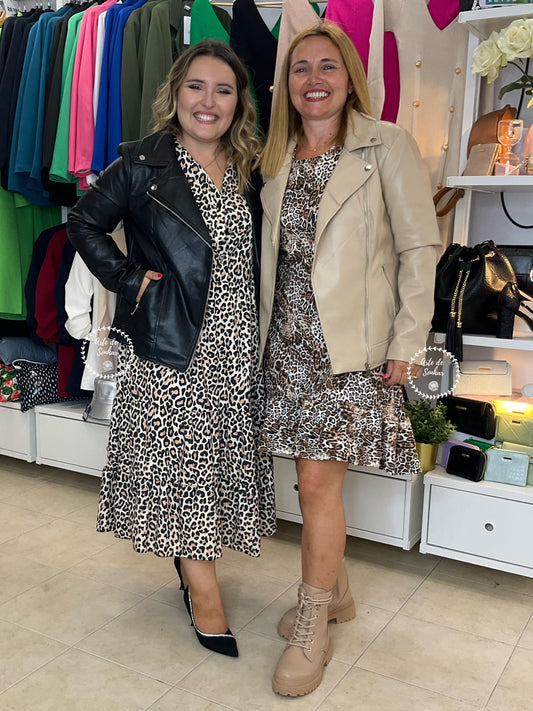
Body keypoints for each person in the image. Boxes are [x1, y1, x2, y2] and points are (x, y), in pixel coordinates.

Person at [67, 40, 276, 659]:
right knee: (182, 469)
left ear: (239, 102)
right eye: (196, 87)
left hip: (237, 345)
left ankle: (191, 565)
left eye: (224, 90)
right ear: (175, 93)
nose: (208, 101)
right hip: (170, 344)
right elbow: (83, 222)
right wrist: (131, 279)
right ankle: (203, 590)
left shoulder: (252, 166)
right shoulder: (142, 162)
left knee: (215, 466)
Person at [258, 22, 441, 696]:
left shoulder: (385, 143)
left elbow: (420, 247)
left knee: (315, 485)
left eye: (327, 66)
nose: (314, 80)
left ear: (350, 77)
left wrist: (408, 341)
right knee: (307, 482)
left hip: (350, 349)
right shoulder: (274, 153)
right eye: (300, 68)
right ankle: (334, 593)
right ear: (286, 83)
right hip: (286, 345)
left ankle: (314, 623)